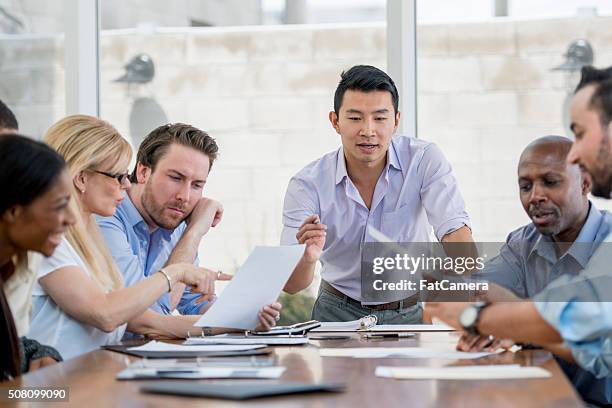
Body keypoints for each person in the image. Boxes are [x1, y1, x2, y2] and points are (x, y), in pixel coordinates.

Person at [427, 65, 612, 401]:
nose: (575, 152)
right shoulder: (523, 242)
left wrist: (482, 318)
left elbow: (573, 319)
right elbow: (584, 338)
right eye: (525, 186)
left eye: (580, 133)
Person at [28, 115, 281, 360]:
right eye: (118, 177)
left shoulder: (89, 240)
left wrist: (242, 319)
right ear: (82, 178)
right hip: (55, 388)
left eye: (197, 185)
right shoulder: (52, 241)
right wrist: (178, 269)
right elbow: (110, 314)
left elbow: (151, 321)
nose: (126, 185)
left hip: (90, 377)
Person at [280, 65, 473, 323]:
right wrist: (307, 258)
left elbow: (453, 229)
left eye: (380, 118)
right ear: (335, 121)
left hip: (410, 311)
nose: (368, 130)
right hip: (336, 312)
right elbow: (292, 285)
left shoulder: (424, 160)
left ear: (396, 121)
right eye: (355, 117)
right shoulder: (307, 184)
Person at [463, 136, 612, 405]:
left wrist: (517, 322)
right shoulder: (523, 243)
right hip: (546, 397)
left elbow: (593, 340)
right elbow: (475, 289)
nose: (535, 197)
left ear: (585, 183)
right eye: (525, 186)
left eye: (550, 182)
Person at [98, 123, 227, 317]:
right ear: (143, 172)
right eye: (176, 178)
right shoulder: (106, 216)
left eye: (197, 185)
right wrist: (194, 233)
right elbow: (151, 312)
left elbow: (194, 302)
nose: (185, 196)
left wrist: (247, 315)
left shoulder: (173, 219)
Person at [0, 135, 75, 380]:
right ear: (13, 211)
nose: (71, 219)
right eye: (60, 205)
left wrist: (37, 353)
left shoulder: (13, 265)